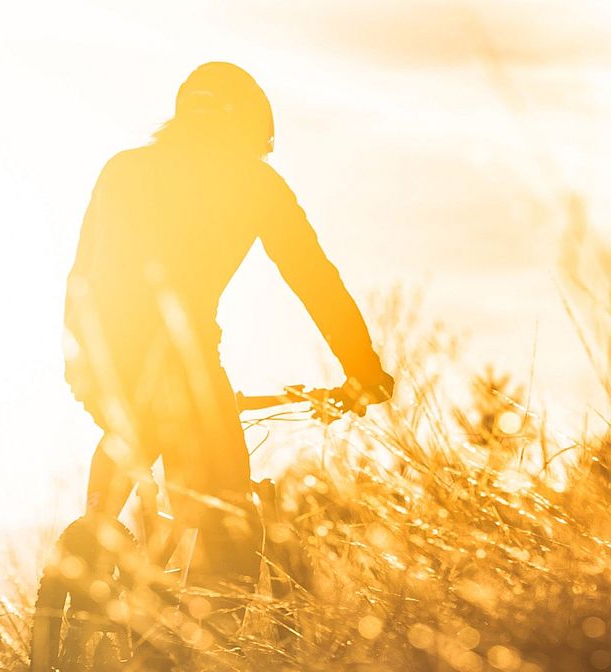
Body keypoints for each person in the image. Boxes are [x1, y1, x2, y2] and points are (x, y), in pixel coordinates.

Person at [62, 61, 392, 585]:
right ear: (252, 127)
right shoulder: (253, 182)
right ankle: (188, 652)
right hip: (186, 362)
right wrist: (363, 370)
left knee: (126, 445)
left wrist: (79, 365)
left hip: (105, 358)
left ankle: (89, 544)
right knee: (230, 528)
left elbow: (82, 274)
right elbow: (314, 279)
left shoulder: (123, 169)